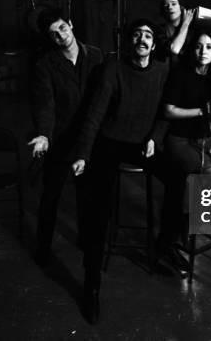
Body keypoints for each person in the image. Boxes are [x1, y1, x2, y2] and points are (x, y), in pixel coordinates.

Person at [71, 19, 183, 324]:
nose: (142, 40)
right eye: (137, 35)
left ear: (154, 43)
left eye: (148, 35)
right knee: (99, 210)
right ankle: (91, 286)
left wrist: (154, 139)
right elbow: (94, 115)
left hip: (142, 143)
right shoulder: (113, 69)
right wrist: (83, 154)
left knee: (178, 179)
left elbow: (164, 114)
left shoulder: (161, 70)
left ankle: (163, 247)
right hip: (110, 142)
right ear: (129, 42)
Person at [27, 7, 103, 267]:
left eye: (62, 27)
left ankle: (85, 239)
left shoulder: (95, 55)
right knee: (51, 196)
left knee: (86, 195)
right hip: (59, 139)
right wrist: (43, 135)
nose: (60, 35)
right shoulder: (45, 65)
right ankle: (43, 247)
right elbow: (45, 105)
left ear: (70, 24)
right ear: (50, 39)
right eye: (53, 33)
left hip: (88, 139)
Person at [163, 30, 211, 242]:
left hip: (204, 138)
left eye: (208, 47)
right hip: (180, 139)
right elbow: (168, 110)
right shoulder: (180, 73)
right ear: (192, 49)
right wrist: (201, 111)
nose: (203, 51)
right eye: (199, 46)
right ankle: (189, 223)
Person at [156, 0, 196, 65]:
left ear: (182, 8)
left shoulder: (192, 31)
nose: (170, 7)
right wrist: (186, 23)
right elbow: (175, 49)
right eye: (166, 5)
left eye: (173, 4)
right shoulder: (160, 30)